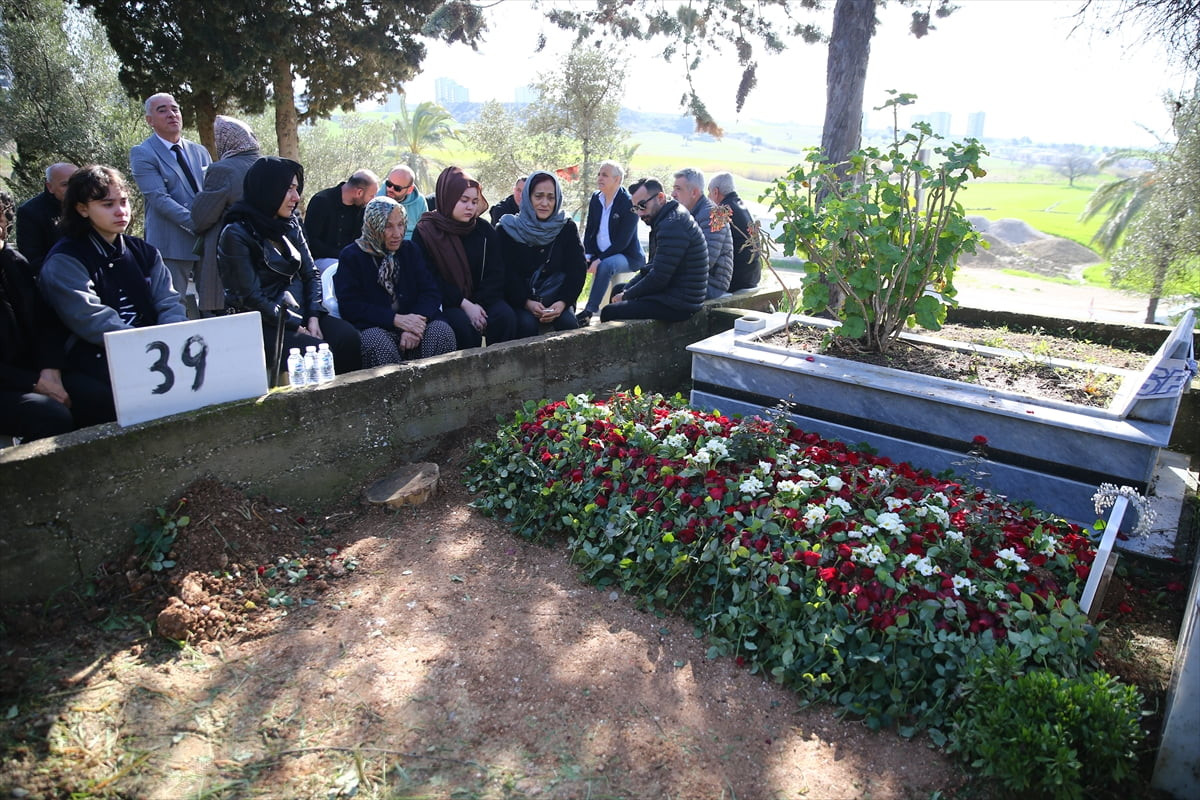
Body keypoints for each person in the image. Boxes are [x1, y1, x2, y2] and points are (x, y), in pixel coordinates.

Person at [39, 166, 187, 415]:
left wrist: (170, 340)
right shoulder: (65, 259)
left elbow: (170, 303)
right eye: (107, 204)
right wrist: (146, 347)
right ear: (82, 209)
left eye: (124, 201)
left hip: (156, 352)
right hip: (95, 357)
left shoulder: (145, 252)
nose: (121, 211)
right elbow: (90, 319)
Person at [217, 157, 362, 375]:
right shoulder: (236, 233)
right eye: (288, 189)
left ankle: (350, 397)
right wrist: (296, 324)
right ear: (268, 190)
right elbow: (250, 297)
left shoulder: (290, 224)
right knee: (314, 351)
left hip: (301, 313)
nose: (296, 197)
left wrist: (313, 316)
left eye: (296, 188)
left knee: (348, 338)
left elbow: (311, 273)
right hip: (262, 322)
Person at [1, 190, 114, 441]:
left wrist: (50, 370)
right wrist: (33, 382)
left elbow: (44, 322)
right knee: (49, 416)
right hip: (10, 381)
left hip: (36, 371)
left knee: (103, 398)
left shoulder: (13, 262)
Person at [334, 197, 456, 365]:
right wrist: (396, 320)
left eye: (400, 224)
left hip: (417, 325)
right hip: (379, 328)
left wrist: (415, 324)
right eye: (388, 226)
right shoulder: (352, 256)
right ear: (373, 225)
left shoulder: (410, 250)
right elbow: (350, 306)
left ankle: (438, 383)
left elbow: (430, 291)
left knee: (441, 332)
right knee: (375, 343)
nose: (397, 234)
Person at [413, 166, 516, 349]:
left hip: (483, 300)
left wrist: (478, 304)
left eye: (475, 201)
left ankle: (503, 367)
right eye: (464, 200)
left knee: (505, 317)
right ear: (448, 197)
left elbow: (495, 273)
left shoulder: (483, 230)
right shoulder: (426, 232)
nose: (470, 207)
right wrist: (464, 304)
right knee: (462, 326)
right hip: (447, 302)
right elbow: (429, 278)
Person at [129, 93, 212, 309]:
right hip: (171, 244)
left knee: (213, 304)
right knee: (175, 306)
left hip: (207, 241)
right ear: (149, 120)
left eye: (175, 109)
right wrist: (199, 223)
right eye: (162, 110)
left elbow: (212, 193)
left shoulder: (200, 151)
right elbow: (159, 198)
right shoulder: (143, 153)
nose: (171, 114)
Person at [600, 178, 708, 323]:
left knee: (609, 312)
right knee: (619, 290)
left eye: (642, 206)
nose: (639, 214)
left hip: (680, 303)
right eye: (635, 208)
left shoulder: (672, 224)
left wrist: (626, 296)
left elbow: (659, 277)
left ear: (660, 198)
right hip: (673, 293)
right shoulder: (667, 218)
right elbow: (651, 268)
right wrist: (626, 291)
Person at [496, 170, 586, 336]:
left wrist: (562, 302)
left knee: (568, 324)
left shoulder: (566, 226)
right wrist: (526, 302)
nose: (545, 203)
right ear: (528, 197)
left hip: (557, 298)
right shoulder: (508, 229)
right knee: (526, 325)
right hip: (520, 299)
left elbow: (577, 269)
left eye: (551, 197)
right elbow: (506, 273)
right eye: (538, 196)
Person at [190, 116, 262, 315]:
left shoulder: (223, 170)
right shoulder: (268, 165)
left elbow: (201, 218)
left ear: (225, 140)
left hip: (227, 263)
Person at [579, 160, 645, 326]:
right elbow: (590, 230)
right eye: (599, 174)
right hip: (599, 254)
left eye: (605, 175)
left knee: (605, 265)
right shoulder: (596, 198)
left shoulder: (630, 203)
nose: (599, 178)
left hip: (627, 256)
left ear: (617, 180)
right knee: (575, 262)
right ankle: (566, 307)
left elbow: (623, 242)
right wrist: (588, 255)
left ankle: (589, 312)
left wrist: (599, 260)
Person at [672, 167, 733, 299]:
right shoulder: (683, 214)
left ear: (694, 192)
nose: (673, 194)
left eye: (678, 189)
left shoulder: (713, 214)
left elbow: (706, 260)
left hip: (711, 284)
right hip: (691, 280)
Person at [303, 169, 380, 270]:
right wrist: (343, 255)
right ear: (359, 192)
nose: (373, 199)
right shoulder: (321, 201)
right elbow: (311, 241)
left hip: (350, 260)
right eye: (371, 195)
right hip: (320, 260)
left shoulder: (362, 208)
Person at [16, 162, 76, 273]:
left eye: (76, 183)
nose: (72, 189)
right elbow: (32, 258)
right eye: (65, 184)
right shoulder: (31, 212)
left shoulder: (92, 205)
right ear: (50, 187)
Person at [708, 171, 762, 292]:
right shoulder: (743, 207)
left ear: (715, 192)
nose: (708, 196)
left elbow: (712, 249)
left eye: (709, 192)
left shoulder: (721, 212)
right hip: (752, 277)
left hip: (735, 280)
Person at [379, 165, 426, 240]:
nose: (390, 189)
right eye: (389, 184)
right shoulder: (376, 199)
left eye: (397, 188)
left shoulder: (420, 202)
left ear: (410, 190)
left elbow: (424, 231)